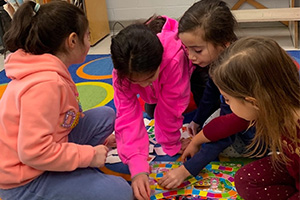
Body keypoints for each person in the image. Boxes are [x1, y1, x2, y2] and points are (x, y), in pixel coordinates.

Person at [0, 1, 133, 200]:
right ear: (72, 41)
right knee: (120, 192)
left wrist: (94, 146)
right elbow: (33, 153)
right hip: (25, 180)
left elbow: (61, 120)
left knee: (105, 115)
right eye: (87, 35)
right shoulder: (45, 85)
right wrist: (87, 156)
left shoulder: (49, 67)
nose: (89, 41)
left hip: (44, 149)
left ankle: (71, 171)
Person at [158, 0, 257, 189]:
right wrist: (196, 121)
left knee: (208, 142)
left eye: (197, 50)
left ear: (224, 43)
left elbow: (227, 131)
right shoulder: (224, 58)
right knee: (205, 126)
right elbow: (211, 93)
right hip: (240, 118)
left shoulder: (234, 73)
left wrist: (187, 169)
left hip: (257, 140)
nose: (190, 56)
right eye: (186, 49)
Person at [111, 15, 194, 200]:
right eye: (135, 81)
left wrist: (171, 142)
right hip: (156, 80)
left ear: (159, 64)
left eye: (149, 77)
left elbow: (171, 107)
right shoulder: (121, 73)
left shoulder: (173, 60)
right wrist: (137, 165)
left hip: (189, 76)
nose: (141, 84)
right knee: (151, 110)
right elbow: (127, 116)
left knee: (183, 109)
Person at [211, 36, 300, 200]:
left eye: (227, 99)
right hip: (293, 165)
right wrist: (197, 140)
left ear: (253, 102)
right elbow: (229, 123)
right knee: (246, 179)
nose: (226, 104)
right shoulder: (274, 104)